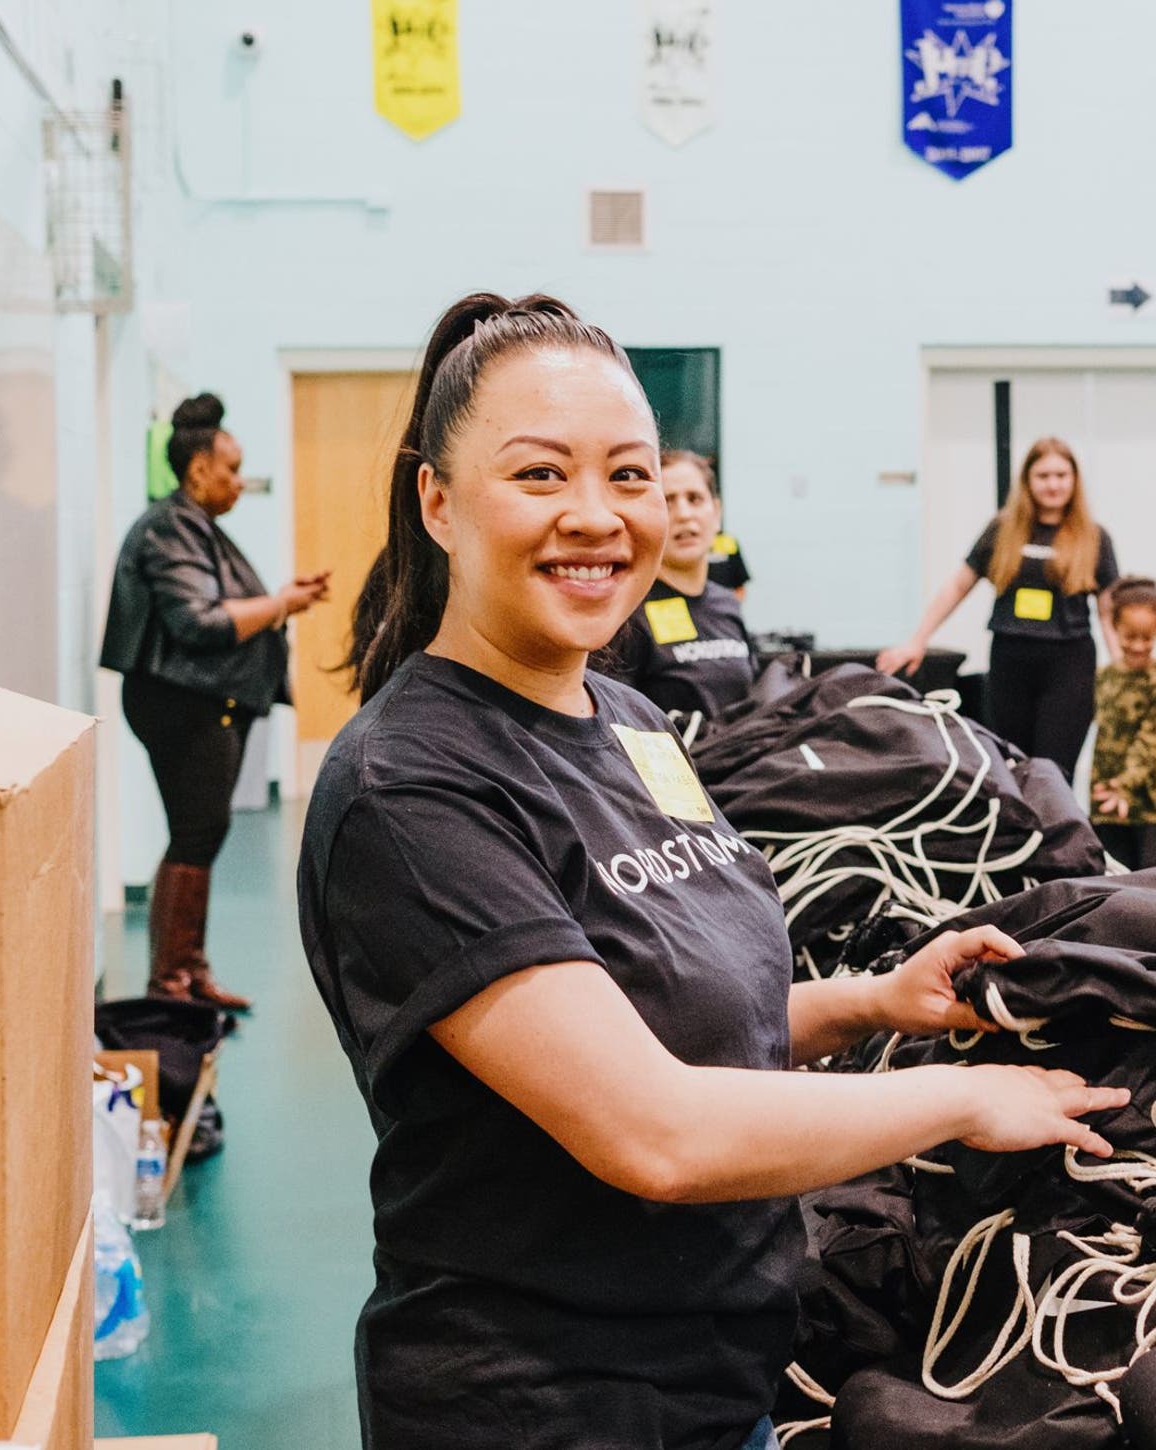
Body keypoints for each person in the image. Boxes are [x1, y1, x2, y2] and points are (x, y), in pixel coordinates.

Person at [296, 296, 1127, 1450]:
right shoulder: (410, 789)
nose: (595, 516)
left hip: (720, 1377)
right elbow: (654, 1127)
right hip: (546, 1407)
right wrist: (964, 1095)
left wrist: (865, 1003)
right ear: (436, 500)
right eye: (540, 475)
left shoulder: (631, 724)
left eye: (628, 475)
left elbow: (665, 1014)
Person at [101, 392, 329, 1010]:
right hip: (182, 706)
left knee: (202, 833)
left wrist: (282, 597)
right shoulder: (171, 528)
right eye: (230, 470)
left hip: (202, 704)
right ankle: (170, 983)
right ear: (199, 470)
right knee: (196, 833)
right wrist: (281, 604)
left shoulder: (194, 528)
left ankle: (188, 972)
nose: (238, 482)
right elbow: (199, 624)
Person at [877, 437, 1119, 781]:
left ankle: (1055, 833)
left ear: (1074, 480)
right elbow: (958, 586)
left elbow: (1109, 613)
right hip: (1010, 660)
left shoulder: (1094, 537)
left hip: (1069, 664)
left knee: (1053, 772)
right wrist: (917, 640)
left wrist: (1125, 672)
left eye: (1061, 475)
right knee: (1010, 766)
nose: (1053, 484)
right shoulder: (1003, 529)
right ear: (1028, 481)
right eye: (1044, 475)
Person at [605, 448, 755, 719]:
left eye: (695, 499)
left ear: (716, 512)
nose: (684, 514)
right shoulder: (626, 611)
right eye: (668, 501)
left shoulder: (727, 603)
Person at [1089, 576, 1156, 869]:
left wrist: (1124, 785)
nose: (1139, 646)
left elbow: (1150, 742)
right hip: (1106, 803)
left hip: (1147, 808)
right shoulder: (1104, 678)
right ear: (1114, 627)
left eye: (1148, 638)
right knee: (1112, 878)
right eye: (1130, 637)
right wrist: (1107, 788)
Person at [707, 524, 751, 597]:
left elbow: (739, 586)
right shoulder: (691, 545)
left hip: (725, 602)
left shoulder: (729, 543)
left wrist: (731, 606)